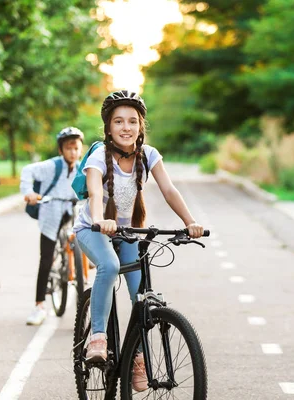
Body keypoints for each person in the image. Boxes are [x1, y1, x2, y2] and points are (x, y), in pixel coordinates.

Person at [72, 90, 204, 391]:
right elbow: (94, 192)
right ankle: (98, 338)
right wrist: (99, 220)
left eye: (132, 121)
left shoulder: (149, 155)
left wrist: (190, 222)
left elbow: (169, 190)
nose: (126, 127)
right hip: (92, 229)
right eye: (118, 121)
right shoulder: (97, 157)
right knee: (108, 264)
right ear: (108, 128)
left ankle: (139, 357)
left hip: (129, 231)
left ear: (141, 126)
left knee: (141, 295)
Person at [20, 127, 84, 325]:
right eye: (68, 148)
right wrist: (29, 191)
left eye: (76, 148)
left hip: (70, 213)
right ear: (61, 150)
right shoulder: (52, 166)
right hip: (50, 214)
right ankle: (39, 306)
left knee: (85, 237)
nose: (73, 152)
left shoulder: (82, 168)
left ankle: (78, 267)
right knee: (46, 258)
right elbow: (27, 170)